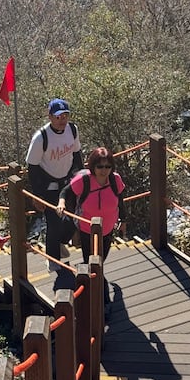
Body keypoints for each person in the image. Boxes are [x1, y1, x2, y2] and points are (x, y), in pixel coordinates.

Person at [57, 147, 126, 308]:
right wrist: (61, 203)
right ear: (93, 166)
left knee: (100, 260)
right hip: (87, 228)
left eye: (108, 166)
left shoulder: (115, 180)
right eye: (100, 166)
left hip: (108, 228)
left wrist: (124, 220)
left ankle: (92, 283)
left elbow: (120, 200)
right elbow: (65, 192)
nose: (104, 170)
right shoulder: (85, 180)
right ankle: (102, 303)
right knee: (94, 262)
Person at [26, 98, 83, 271]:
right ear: (50, 117)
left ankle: (58, 244)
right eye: (58, 117)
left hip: (67, 183)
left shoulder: (72, 130)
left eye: (65, 116)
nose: (62, 120)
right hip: (48, 185)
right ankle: (53, 260)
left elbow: (77, 155)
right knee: (54, 222)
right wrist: (38, 196)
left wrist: (82, 179)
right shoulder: (41, 137)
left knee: (73, 219)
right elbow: (33, 167)